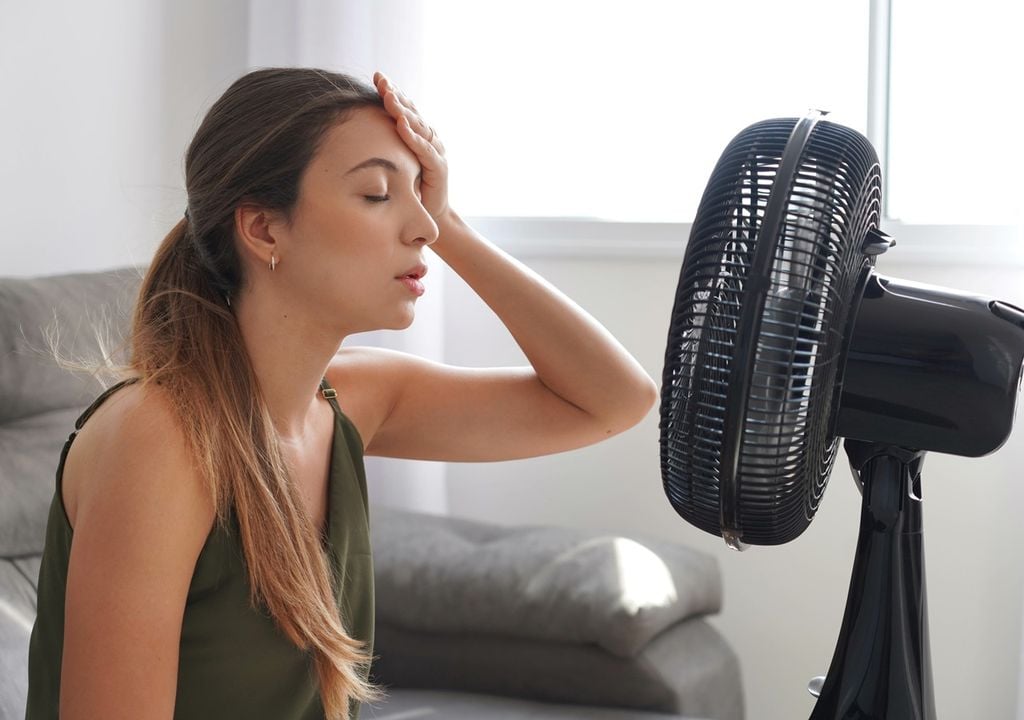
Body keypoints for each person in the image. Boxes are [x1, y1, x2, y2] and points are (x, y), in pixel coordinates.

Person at [24, 67, 658, 720]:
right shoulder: (159, 439)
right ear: (265, 230)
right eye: (378, 194)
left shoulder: (354, 400)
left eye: (422, 195)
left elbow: (614, 401)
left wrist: (455, 225)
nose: (424, 230)